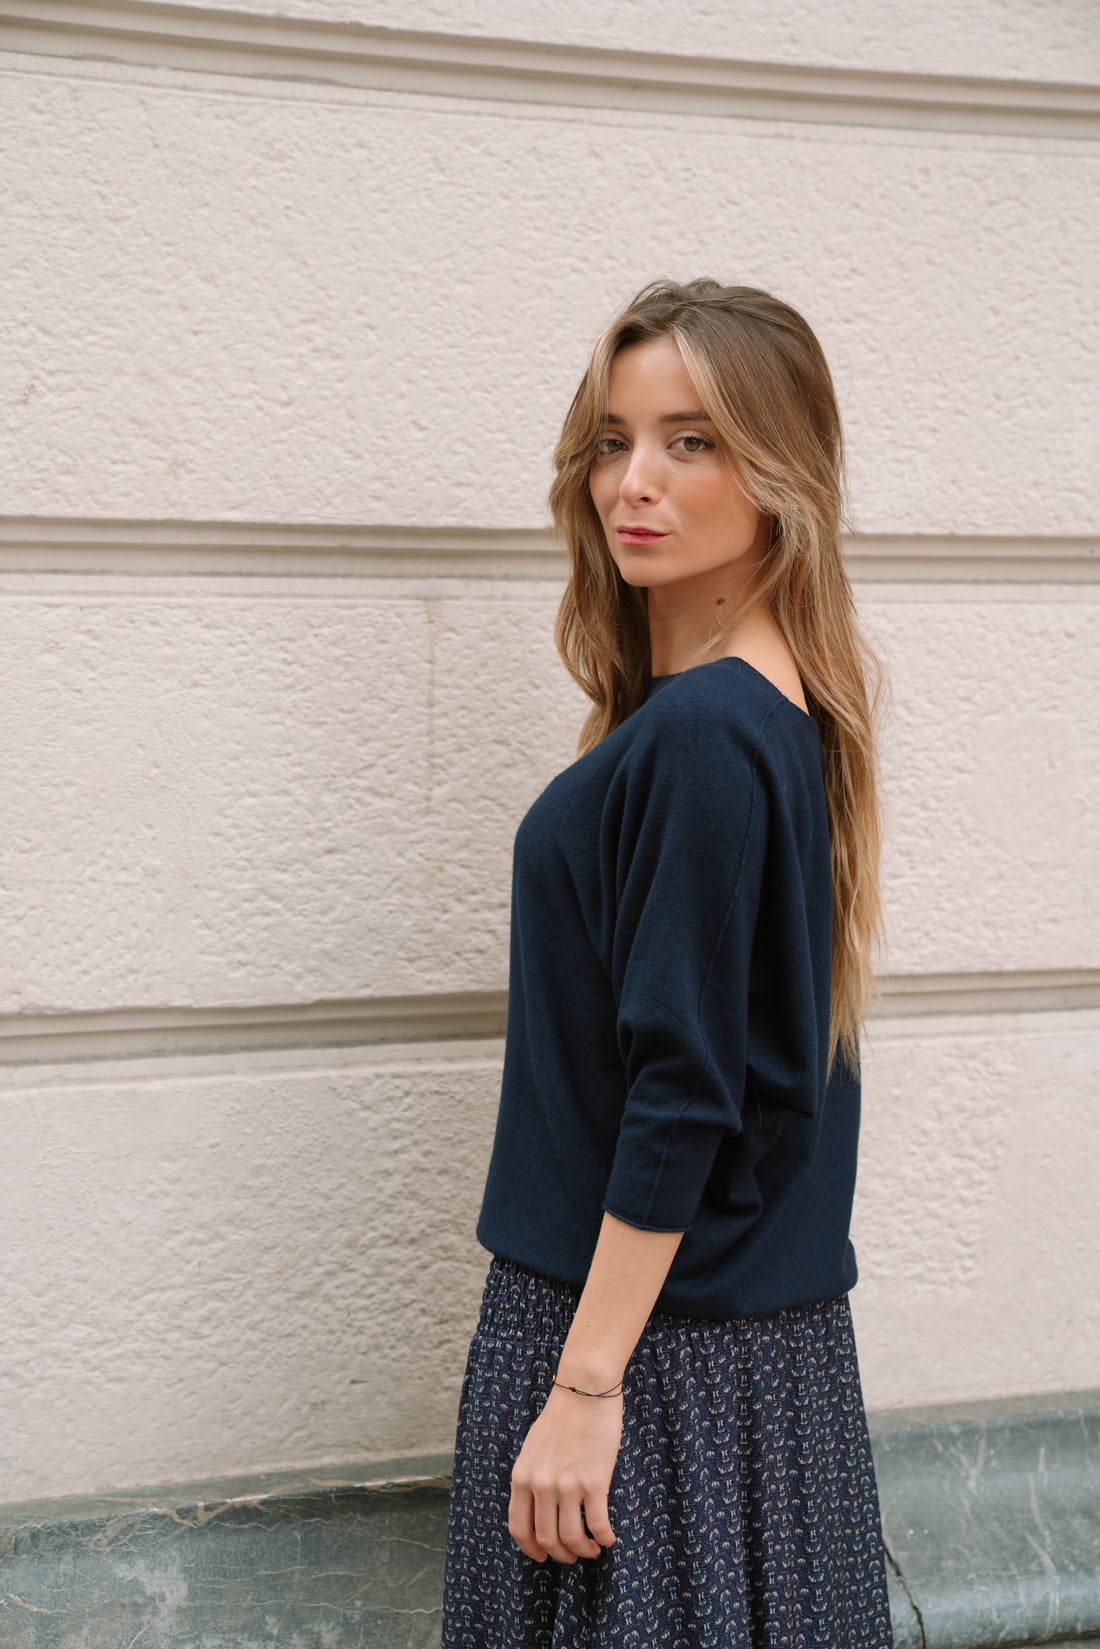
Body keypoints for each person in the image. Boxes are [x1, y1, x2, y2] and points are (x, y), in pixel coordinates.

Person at [440, 278, 894, 1648]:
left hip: (649, 1354)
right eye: (613, 439)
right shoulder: (765, 715)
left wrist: (586, 1387)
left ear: (779, 475)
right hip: (747, 1364)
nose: (631, 482)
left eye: (691, 441)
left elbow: (684, 1089)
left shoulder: (706, 733)